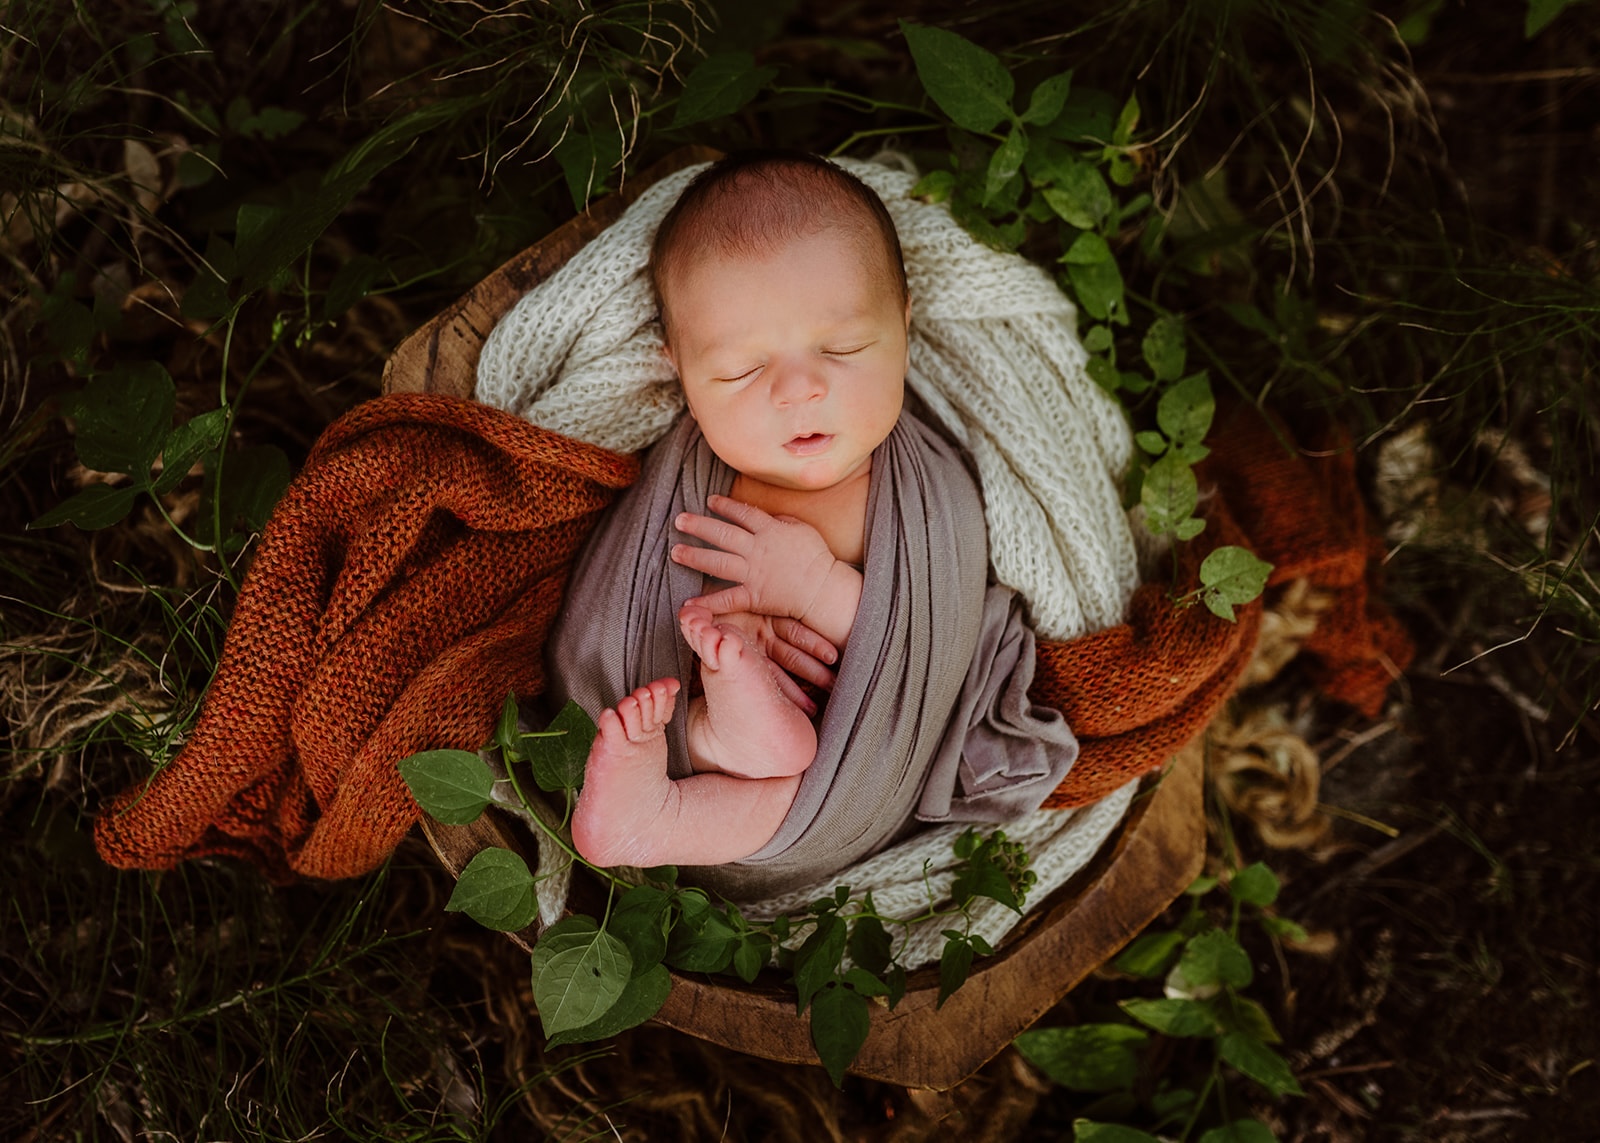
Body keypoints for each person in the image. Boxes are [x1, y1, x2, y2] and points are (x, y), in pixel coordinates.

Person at [570, 151, 917, 869]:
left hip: (833, 763)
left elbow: (924, 638)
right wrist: (721, 653)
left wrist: (818, 588)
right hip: (683, 706)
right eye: (741, 370)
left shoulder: (922, 491)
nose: (797, 390)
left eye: (844, 346)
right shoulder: (683, 474)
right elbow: (623, 596)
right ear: (680, 371)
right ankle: (696, 750)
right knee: (737, 738)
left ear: (905, 327)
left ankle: (672, 806)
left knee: (784, 776)